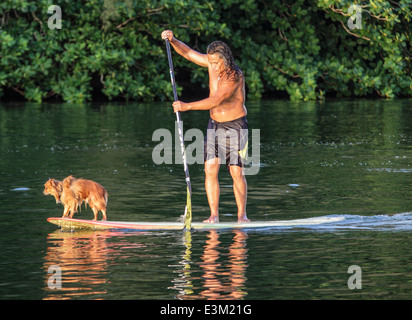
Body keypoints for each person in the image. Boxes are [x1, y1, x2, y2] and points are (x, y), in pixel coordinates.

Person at [161, 30, 250, 223]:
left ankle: (242, 215)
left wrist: (187, 106)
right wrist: (172, 40)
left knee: (236, 171)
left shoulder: (234, 77)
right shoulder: (211, 63)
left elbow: (216, 100)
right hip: (214, 125)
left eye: (217, 62)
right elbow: (188, 53)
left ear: (225, 59)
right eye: (211, 62)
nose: (214, 66)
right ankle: (214, 216)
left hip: (236, 126)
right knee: (210, 169)